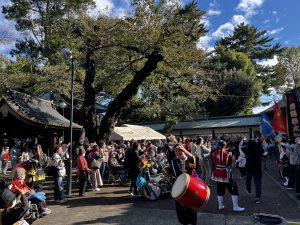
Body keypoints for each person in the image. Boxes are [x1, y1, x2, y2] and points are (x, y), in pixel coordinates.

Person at [211, 140, 245, 212]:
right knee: (233, 189)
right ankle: (235, 207)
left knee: (220, 189)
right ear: (225, 146)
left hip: (217, 173)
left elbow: (214, 162)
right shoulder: (227, 154)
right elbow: (230, 164)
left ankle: (220, 205)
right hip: (225, 173)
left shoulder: (214, 153)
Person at [170, 138, 198, 225]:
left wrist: (184, 150)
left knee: (192, 208)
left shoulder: (189, 160)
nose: (178, 153)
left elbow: (193, 162)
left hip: (190, 187)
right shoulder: (174, 161)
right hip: (179, 187)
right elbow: (175, 174)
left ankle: (192, 222)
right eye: (176, 151)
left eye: (180, 151)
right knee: (181, 209)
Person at [244, 139, 264, 204]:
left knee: (248, 179)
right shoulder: (258, 151)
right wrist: (259, 144)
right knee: (258, 184)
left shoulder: (247, 150)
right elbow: (263, 149)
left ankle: (248, 189)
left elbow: (242, 147)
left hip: (248, 168)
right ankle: (257, 198)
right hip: (257, 169)